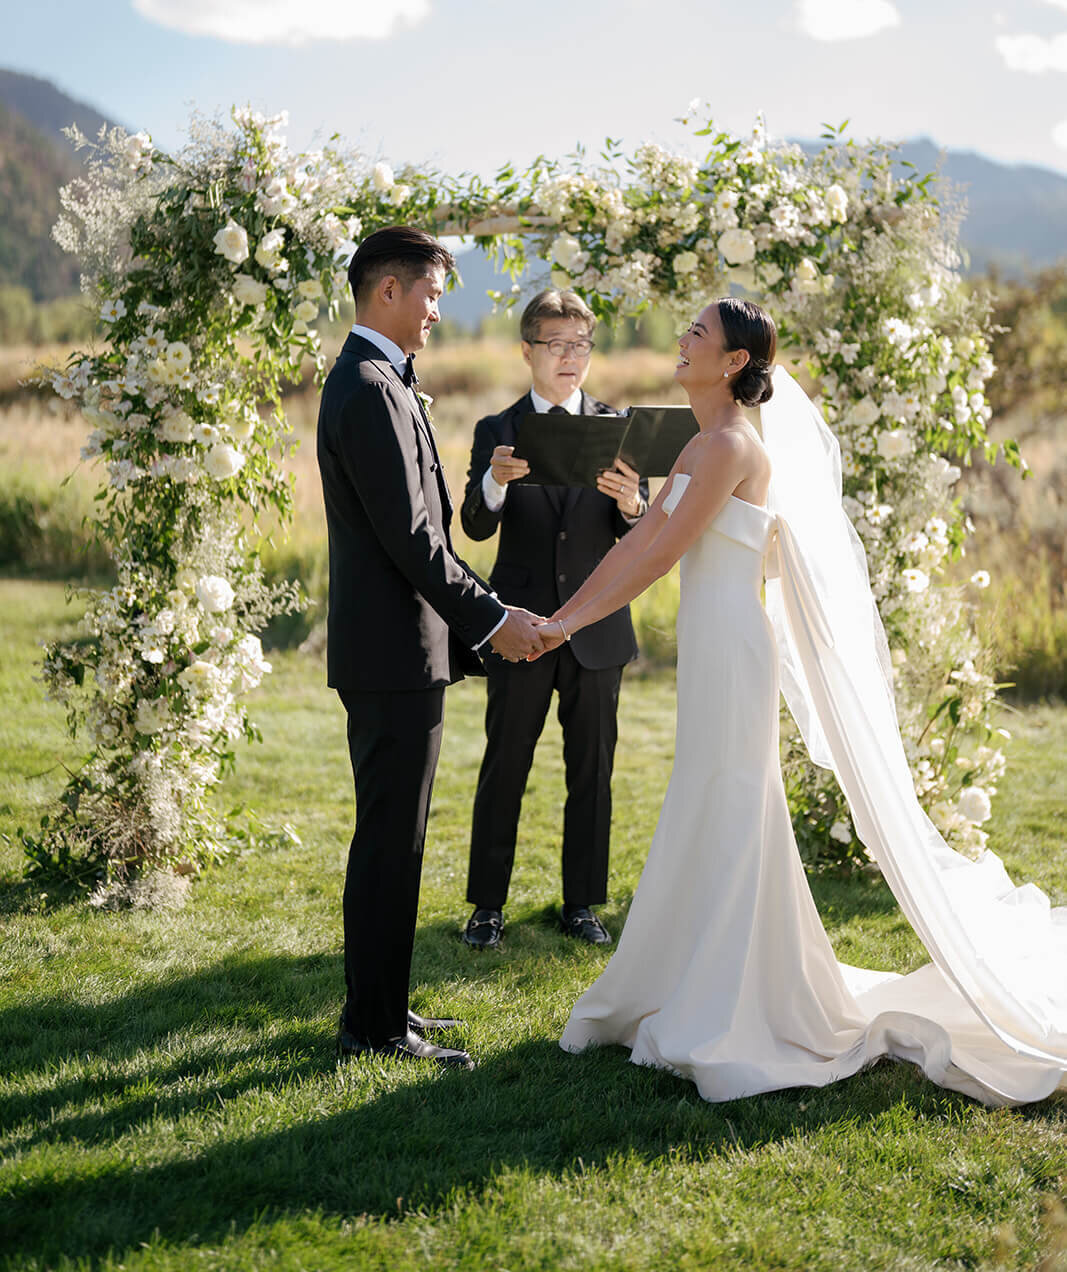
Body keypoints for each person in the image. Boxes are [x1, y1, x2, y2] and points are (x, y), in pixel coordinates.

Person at [533, 297, 1067, 1106]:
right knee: (710, 804)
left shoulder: (727, 448)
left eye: (697, 336)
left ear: (735, 363)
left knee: (731, 805)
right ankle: (685, 981)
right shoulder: (699, 443)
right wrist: (563, 617)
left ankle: (733, 1001)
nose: (681, 342)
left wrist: (562, 622)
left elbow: (656, 553)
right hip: (714, 648)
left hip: (733, 652)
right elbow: (643, 535)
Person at [316, 225, 544, 1069]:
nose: (437, 313)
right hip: (390, 654)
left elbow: (424, 536)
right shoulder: (369, 387)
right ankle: (371, 1028)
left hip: (402, 651)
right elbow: (415, 541)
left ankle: (385, 1011)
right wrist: (491, 619)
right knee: (388, 842)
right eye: (431, 294)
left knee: (399, 839)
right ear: (387, 291)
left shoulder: (376, 379)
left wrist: (473, 620)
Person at [459, 290, 648, 950]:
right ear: (526, 351)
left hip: (596, 628)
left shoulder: (619, 426)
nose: (570, 358)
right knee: (503, 765)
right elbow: (474, 526)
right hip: (521, 628)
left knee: (591, 771)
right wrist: (495, 482)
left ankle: (581, 904)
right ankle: (486, 906)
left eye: (580, 346)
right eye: (556, 345)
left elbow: (639, 532)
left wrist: (631, 504)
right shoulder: (497, 430)